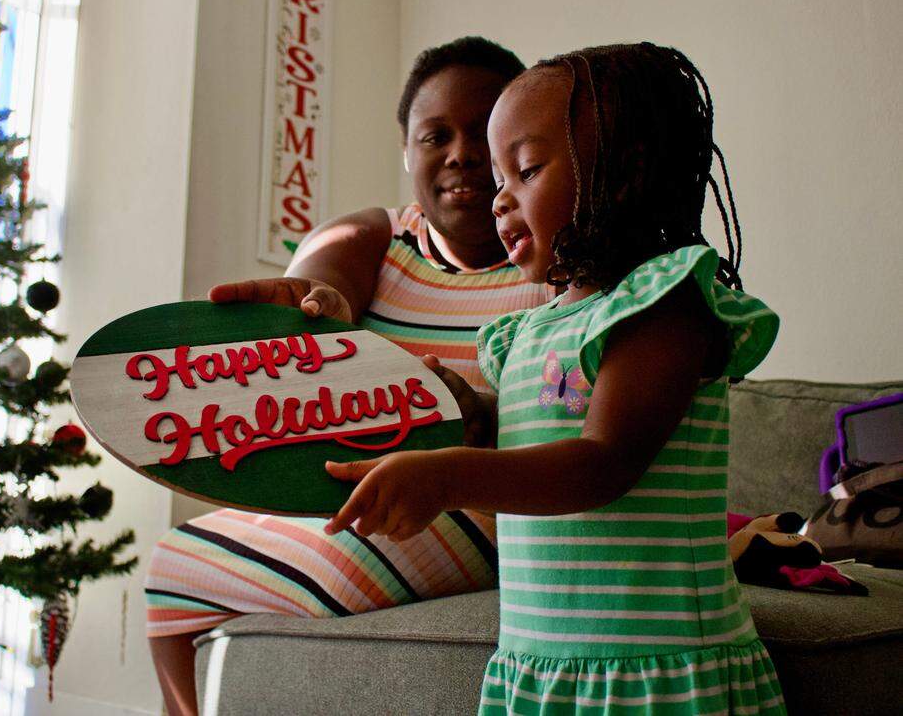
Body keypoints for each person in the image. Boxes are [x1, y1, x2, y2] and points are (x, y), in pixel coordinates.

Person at [325, 43, 786, 714]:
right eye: (499, 181)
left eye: (527, 169)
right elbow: (538, 432)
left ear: (623, 171)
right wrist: (476, 416)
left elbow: (601, 462)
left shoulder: (662, 300)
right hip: (543, 665)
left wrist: (449, 476)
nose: (500, 201)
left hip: (655, 672)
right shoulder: (530, 329)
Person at [145, 36, 553, 715]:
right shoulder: (374, 238)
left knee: (330, 567)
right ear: (406, 151)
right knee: (168, 564)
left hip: (485, 503)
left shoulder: (554, 257)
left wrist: (476, 412)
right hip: (356, 497)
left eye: (483, 132)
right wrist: (315, 313)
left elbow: (568, 411)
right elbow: (317, 284)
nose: (460, 153)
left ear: (518, 144)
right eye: (435, 135)